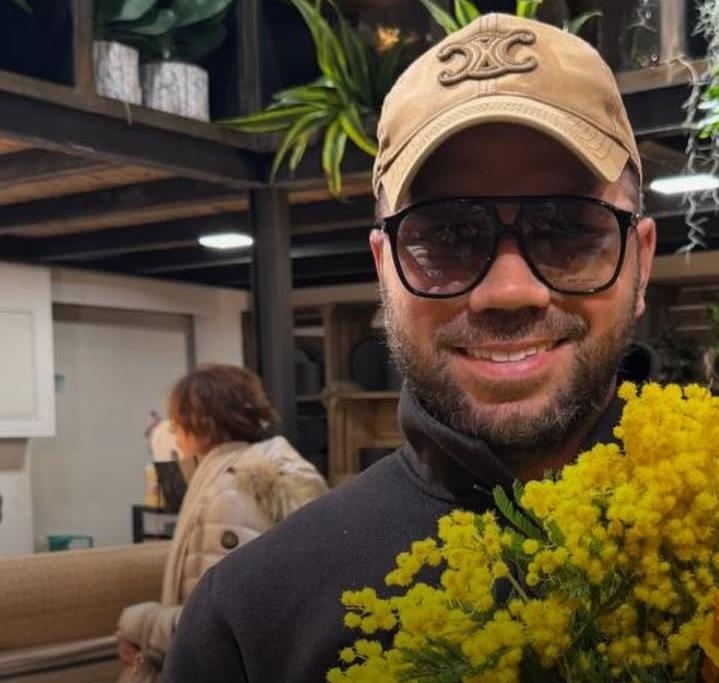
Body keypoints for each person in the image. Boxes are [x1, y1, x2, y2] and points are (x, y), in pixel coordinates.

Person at [164, 13, 656, 681]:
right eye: (446, 237)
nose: (509, 291)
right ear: (383, 269)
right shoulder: (250, 621)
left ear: (641, 262)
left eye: (568, 230)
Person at [117, 365, 328, 682]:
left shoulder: (231, 491)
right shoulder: (261, 471)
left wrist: (139, 624)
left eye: (177, 425)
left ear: (200, 424)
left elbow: (221, 624)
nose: (175, 438)